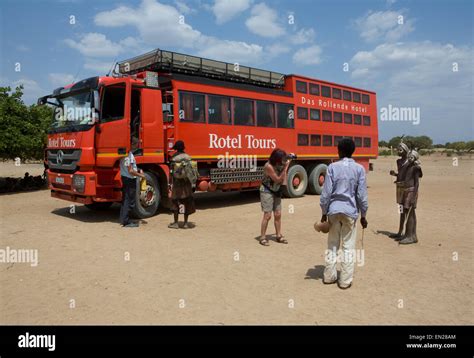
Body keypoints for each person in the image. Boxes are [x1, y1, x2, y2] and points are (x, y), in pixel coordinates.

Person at [320, 138, 368, 289]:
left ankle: (329, 276)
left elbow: (326, 194)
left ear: (339, 150)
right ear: (353, 151)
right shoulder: (359, 169)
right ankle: (345, 281)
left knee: (332, 245)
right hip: (350, 212)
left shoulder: (332, 167)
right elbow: (361, 196)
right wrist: (364, 216)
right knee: (348, 246)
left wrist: (323, 212)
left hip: (333, 211)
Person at [259, 148, 291, 246]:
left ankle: (278, 235)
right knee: (267, 215)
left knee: (278, 214)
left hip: (276, 190)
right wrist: (286, 168)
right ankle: (262, 237)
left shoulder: (280, 163)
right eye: (282, 158)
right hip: (267, 191)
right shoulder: (268, 166)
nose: (284, 160)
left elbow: (281, 180)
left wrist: (288, 160)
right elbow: (277, 179)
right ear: (276, 159)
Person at [168, 140, 196, 229]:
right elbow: (192, 172)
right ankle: (186, 223)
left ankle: (176, 223)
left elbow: (171, 172)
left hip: (177, 184)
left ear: (176, 148)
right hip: (186, 184)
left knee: (175, 202)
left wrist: (169, 183)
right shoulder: (188, 157)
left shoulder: (174, 158)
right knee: (187, 202)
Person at [398, 150, 423, 245]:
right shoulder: (409, 166)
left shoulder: (416, 168)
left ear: (415, 158)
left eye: (412, 157)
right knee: (407, 212)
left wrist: (413, 196)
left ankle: (410, 236)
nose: (410, 158)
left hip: (411, 191)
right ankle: (410, 235)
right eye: (409, 156)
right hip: (406, 190)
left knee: (410, 213)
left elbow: (417, 183)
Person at [119, 139, 146, 228]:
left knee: (125, 199)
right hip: (129, 179)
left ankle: (123, 219)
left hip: (125, 178)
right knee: (129, 200)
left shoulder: (125, 154)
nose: (137, 146)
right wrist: (140, 175)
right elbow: (130, 170)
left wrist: (137, 170)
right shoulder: (128, 155)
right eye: (137, 144)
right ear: (132, 144)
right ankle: (126, 222)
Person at [389, 142, 410, 239]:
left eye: (400, 150)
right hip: (399, 188)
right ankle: (400, 231)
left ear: (405, 151)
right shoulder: (398, 162)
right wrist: (395, 174)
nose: (398, 152)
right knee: (401, 210)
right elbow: (400, 175)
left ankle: (406, 233)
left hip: (407, 189)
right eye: (398, 150)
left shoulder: (410, 162)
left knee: (407, 211)